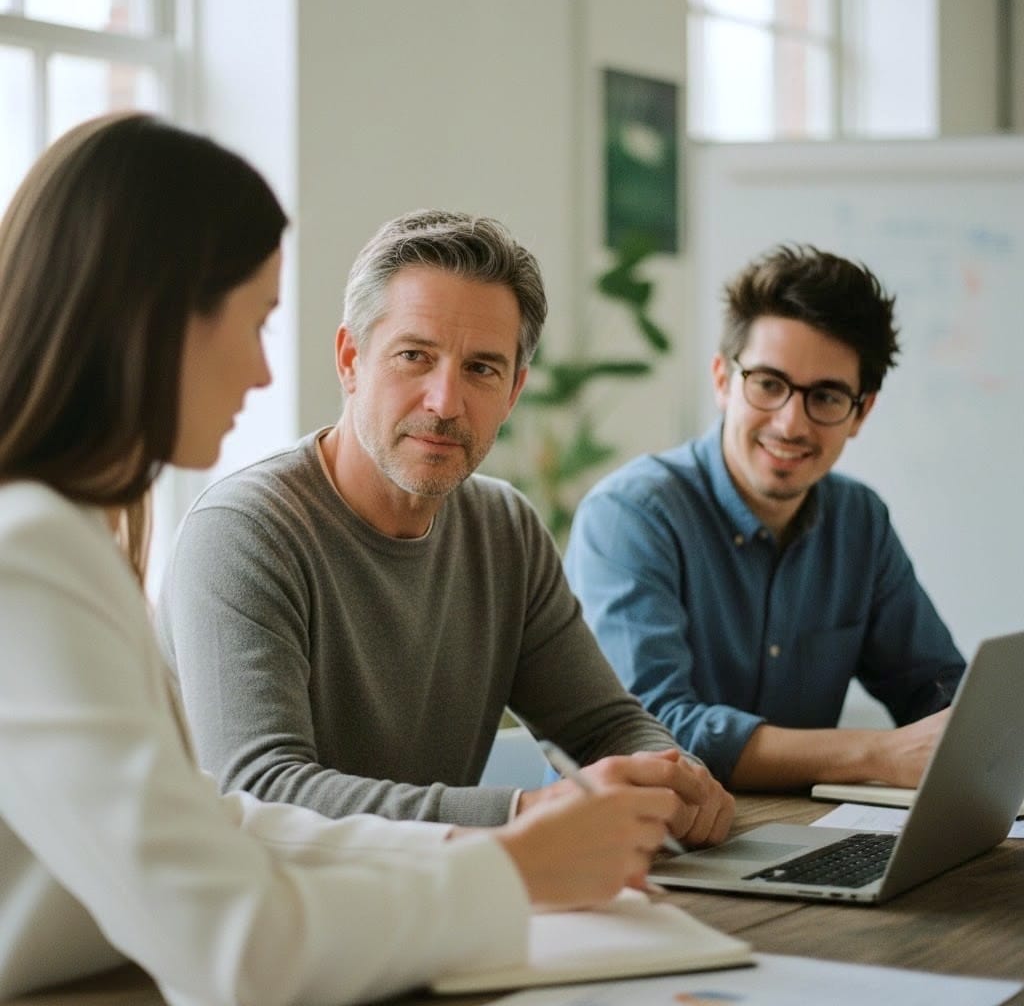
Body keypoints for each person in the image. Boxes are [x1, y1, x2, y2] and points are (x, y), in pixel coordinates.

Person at [0, 113, 689, 1005]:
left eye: (482, 369)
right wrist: (510, 868)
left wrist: (500, 844)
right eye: (254, 322)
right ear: (156, 324)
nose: (258, 373)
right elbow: (242, 951)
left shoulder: (67, 535)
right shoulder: (31, 555)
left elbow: (219, 820)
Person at [155, 208, 734, 845]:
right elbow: (262, 789)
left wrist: (672, 777)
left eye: (481, 369)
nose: (445, 402)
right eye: (414, 357)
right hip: (262, 920)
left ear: (514, 392)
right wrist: (522, 814)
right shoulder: (243, 532)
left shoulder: (504, 527)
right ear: (351, 359)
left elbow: (604, 726)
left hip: (439, 902)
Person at [564, 244, 966, 791]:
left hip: (797, 835)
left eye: (825, 396)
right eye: (769, 384)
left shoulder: (859, 521)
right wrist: (876, 754)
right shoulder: (631, 515)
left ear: (861, 412)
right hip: (641, 849)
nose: (790, 423)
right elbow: (650, 732)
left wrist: (977, 730)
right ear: (724, 380)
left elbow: (936, 687)